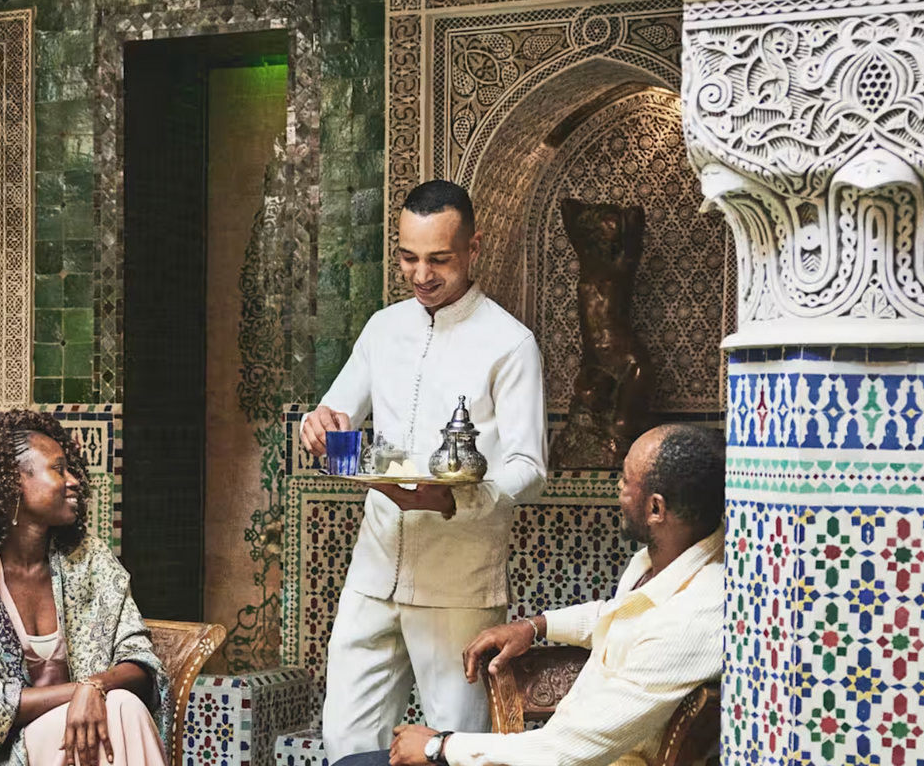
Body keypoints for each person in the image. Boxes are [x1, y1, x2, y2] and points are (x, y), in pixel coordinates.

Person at [300, 179, 547, 758]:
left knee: (453, 746)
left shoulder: (510, 343)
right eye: (408, 257)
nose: (421, 274)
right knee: (346, 741)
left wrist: (463, 499)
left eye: (439, 258)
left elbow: (530, 466)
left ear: (474, 247)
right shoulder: (382, 329)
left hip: (458, 584)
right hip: (373, 571)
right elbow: (336, 413)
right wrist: (319, 426)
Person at [333, 424, 726, 766]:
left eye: (625, 481)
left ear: (656, 509)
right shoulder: (661, 566)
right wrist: (535, 626)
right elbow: (616, 615)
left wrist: (440, 746)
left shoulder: (693, 617)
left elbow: (567, 751)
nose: (617, 489)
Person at [0, 410, 171, 766]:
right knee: (121, 709)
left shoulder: (89, 559)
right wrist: (83, 692)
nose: (74, 480)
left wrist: (96, 688)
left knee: (122, 707)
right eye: (59, 469)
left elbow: (141, 661)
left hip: (96, 732)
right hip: (14, 749)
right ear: (13, 482)